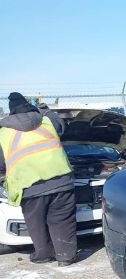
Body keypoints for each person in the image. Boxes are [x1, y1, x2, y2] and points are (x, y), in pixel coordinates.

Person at [0, 92, 77, 265]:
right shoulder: (46, 121)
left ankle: (43, 255)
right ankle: (66, 256)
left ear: (10, 111)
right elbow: (62, 126)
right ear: (29, 105)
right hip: (60, 181)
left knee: (36, 223)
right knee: (62, 220)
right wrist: (44, 110)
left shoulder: (3, 133)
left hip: (29, 185)